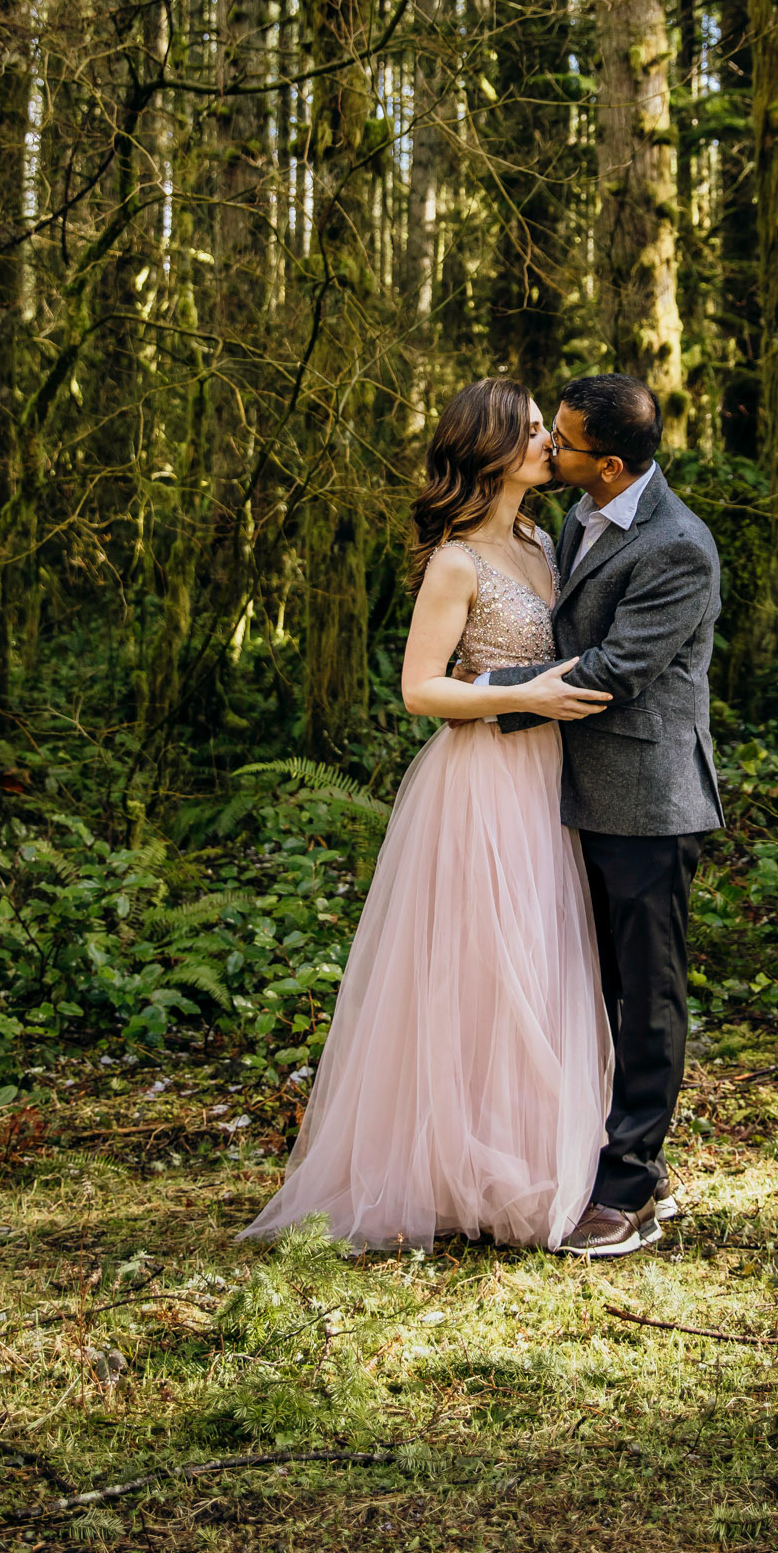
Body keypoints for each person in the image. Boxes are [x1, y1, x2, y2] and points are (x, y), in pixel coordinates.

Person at [238, 379, 614, 1255]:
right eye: (527, 433)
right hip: (482, 783)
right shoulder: (455, 562)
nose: (544, 445)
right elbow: (419, 689)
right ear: (485, 451)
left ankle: (532, 1155)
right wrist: (526, 691)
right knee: (487, 968)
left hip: (547, 774)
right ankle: (462, 1168)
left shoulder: (540, 538)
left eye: (542, 433)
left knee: (545, 960)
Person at [474, 373, 723, 1258]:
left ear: (608, 464)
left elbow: (614, 670)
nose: (548, 451)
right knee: (580, 983)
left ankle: (629, 1189)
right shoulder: (578, 515)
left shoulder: (678, 546)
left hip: (646, 802)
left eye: (563, 443)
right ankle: (576, 1151)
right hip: (560, 788)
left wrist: (475, 693)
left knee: (644, 998)